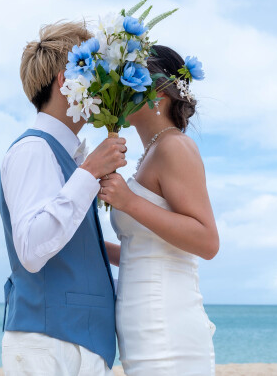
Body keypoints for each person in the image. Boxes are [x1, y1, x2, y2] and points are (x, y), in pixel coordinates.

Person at [0, 21, 127, 376]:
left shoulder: (58, 153)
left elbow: (65, 242)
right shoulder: (34, 149)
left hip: (71, 343)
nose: (102, 87)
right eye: (94, 73)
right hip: (51, 343)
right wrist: (88, 174)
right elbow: (32, 248)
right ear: (63, 79)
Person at [98, 44, 219, 376]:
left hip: (166, 324)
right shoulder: (151, 154)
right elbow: (149, 249)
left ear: (160, 92)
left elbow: (207, 242)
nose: (115, 93)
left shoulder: (175, 147)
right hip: (141, 323)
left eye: (127, 82)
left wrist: (130, 202)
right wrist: (97, 248)